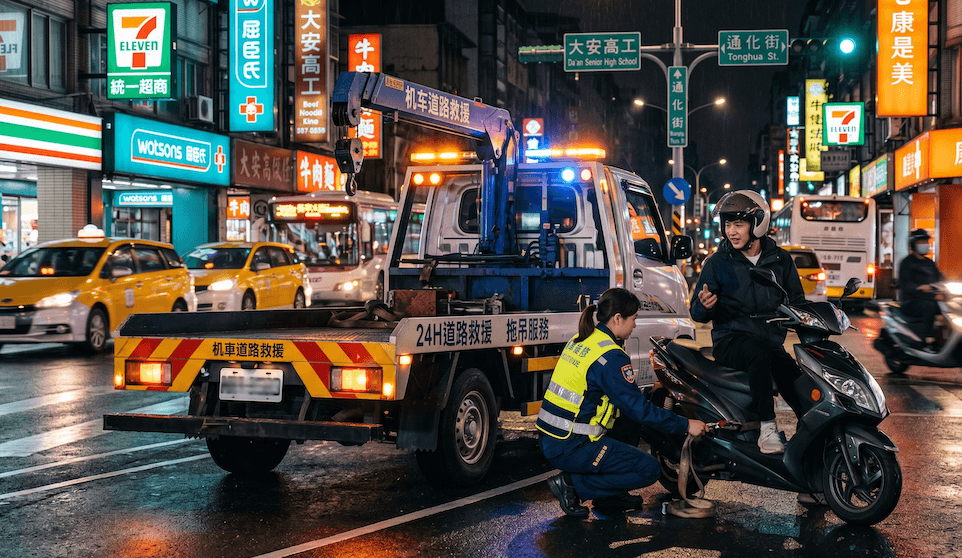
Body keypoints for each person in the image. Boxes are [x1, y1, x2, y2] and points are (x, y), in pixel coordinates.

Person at [537, 288, 707, 518]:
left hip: (554, 436)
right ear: (618, 318)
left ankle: (610, 495)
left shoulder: (582, 340)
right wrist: (686, 425)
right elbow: (641, 411)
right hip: (572, 445)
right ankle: (571, 485)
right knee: (649, 469)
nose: (635, 325)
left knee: (629, 421)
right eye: (634, 318)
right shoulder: (611, 357)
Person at [690, 190, 806, 455]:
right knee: (759, 354)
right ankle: (767, 428)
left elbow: (798, 301)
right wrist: (703, 306)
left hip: (770, 343)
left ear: (758, 224)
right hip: (731, 340)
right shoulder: (718, 263)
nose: (732, 231)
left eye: (738, 224)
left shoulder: (780, 260)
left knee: (798, 379)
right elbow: (697, 313)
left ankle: (810, 445)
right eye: (728, 224)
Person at [898, 229, 945, 351]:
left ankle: (945, 342)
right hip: (911, 302)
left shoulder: (930, 263)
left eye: (926, 241)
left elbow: (941, 278)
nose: (925, 244)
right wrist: (919, 287)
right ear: (914, 244)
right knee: (929, 306)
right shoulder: (906, 263)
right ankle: (927, 342)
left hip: (931, 300)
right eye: (921, 242)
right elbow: (905, 284)